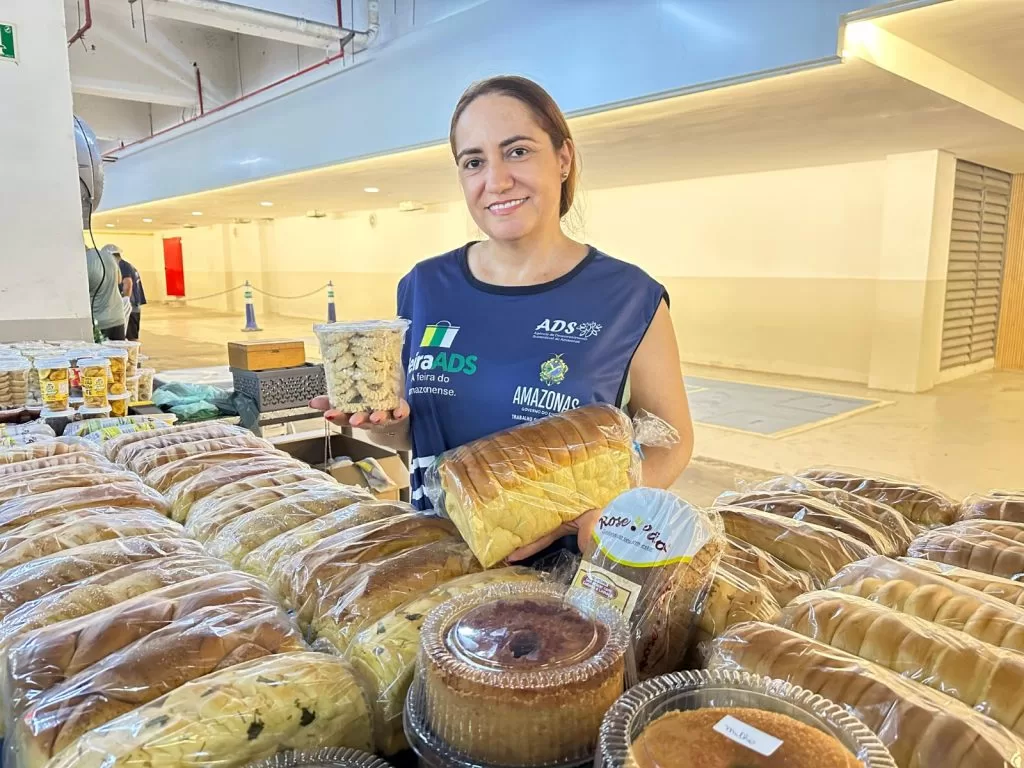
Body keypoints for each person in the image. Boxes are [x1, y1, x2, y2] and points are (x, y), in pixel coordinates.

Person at [311, 75, 694, 562]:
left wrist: (600, 511)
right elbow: (415, 432)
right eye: (474, 161)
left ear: (563, 158)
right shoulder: (424, 286)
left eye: (517, 151)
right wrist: (381, 424)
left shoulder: (630, 297)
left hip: (563, 574)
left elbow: (672, 441)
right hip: (435, 561)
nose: (496, 181)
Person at [87, 243, 127, 341]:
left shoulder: (85, 262)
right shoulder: (109, 257)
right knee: (118, 350)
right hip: (117, 317)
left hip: (99, 322)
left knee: (101, 351)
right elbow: (119, 280)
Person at [111, 246, 146, 341]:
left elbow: (128, 283)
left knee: (131, 338)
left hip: (130, 306)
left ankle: (134, 351)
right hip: (134, 305)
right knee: (132, 336)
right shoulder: (128, 265)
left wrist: (125, 300)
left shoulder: (121, 265)